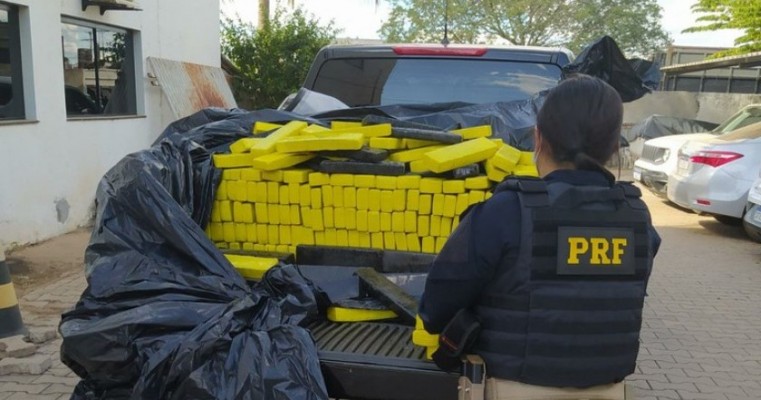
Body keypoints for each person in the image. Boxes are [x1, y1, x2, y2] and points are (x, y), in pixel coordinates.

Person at [419, 74, 661, 393]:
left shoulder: (506, 211)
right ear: (615, 147)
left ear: (538, 138)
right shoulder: (637, 217)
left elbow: (435, 311)